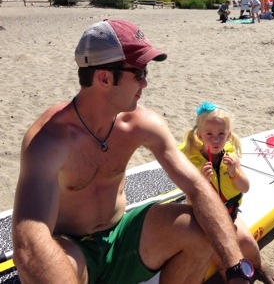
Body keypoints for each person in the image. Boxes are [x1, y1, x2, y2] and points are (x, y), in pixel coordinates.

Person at [12, 19, 254, 283]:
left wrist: (234, 264)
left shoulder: (141, 123)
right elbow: (30, 237)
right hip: (72, 248)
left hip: (123, 233)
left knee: (198, 229)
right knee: (43, 265)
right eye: (139, 73)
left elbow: (196, 186)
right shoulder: (49, 141)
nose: (145, 83)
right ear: (104, 78)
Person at [180, 102, 274, 283]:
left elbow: (245, 188)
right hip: (206, 224)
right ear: (200, 135)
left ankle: (259, 265)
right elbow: (190, 204)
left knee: (249, 245)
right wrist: (201, 183)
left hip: (229, 215)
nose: (215, 139)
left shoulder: (230, 159)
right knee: (226, 262)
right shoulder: (194, 165)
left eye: (221, 134)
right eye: (209, 134)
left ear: (228, 135)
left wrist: (234, 173)